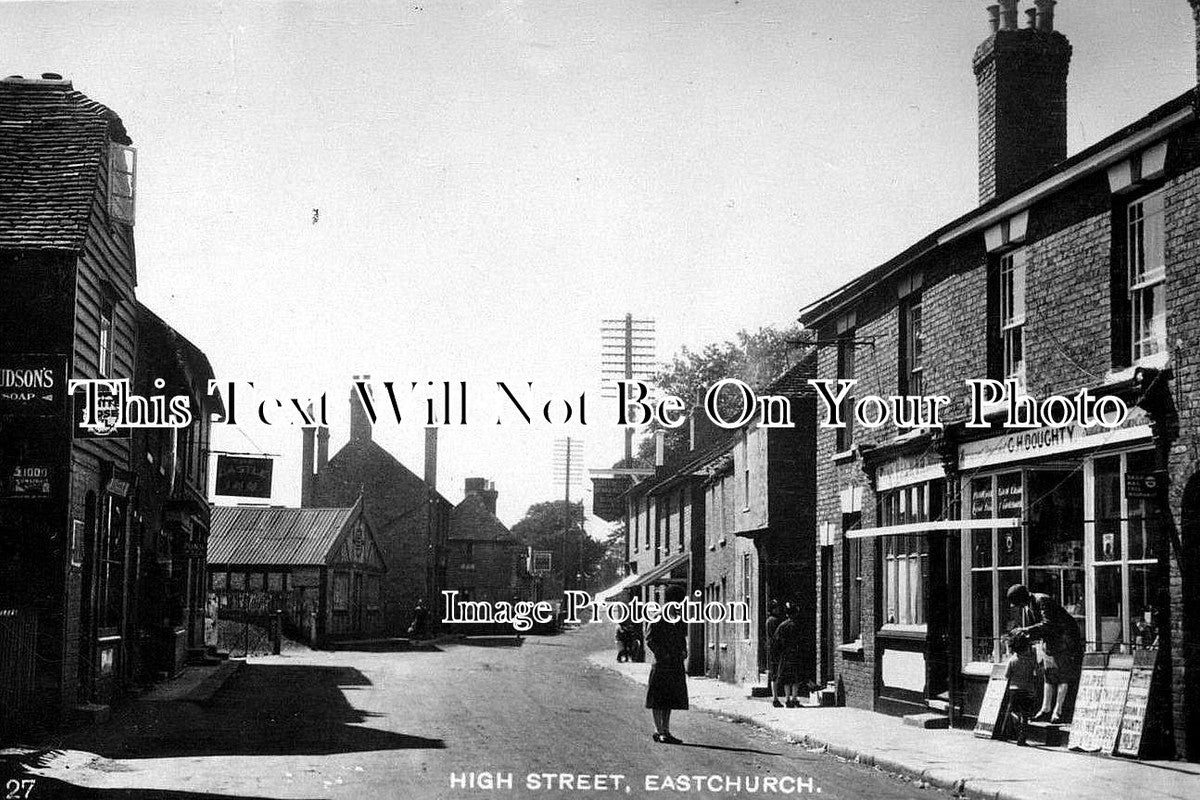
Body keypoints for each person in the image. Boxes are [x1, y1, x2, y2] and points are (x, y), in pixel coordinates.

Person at [1007, 583, 1083, 724]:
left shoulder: (1042, 600)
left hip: (1064, 639)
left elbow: (1048, 624)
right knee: (1049, 675)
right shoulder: (1029, 605)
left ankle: (1058, 711)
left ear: (1021, 599)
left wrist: (1026, 630)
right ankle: (1046, 709)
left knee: (1062, 676)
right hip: (1051, 641)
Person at [645, 584, 689, 744]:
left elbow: (682, 638)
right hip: (662, 664)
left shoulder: (678, 619)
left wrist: (684, 651)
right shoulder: (658, 616)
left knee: (669, 698)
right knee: (658, 699)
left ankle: (666, 730)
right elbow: (649, 639)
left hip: (675, 663)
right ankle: (659, 731)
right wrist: (662, 654)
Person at [1003, 630, 1040, 746]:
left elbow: (1006, 675)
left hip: (1014, 689)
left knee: (1013, 711)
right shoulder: (1030, 661)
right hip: (1027, 690)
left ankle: (1010, 732)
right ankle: (1022, 738)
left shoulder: (1012, 660)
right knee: (1025, 714)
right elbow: (1035, 673)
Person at [772, 602, 805, 708]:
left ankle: (787, 700)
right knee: (796, 678)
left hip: (785, 655)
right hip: (796, 654)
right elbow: (802, 640)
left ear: (787, 614)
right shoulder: (798, 625)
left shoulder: (782, 626)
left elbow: (776, 641)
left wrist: (779, 653)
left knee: (786, 678)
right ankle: (794, 698)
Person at [764, 600, 784, 708]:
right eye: (776, 608)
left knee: (774, 673)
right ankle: (775, 698)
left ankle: (775, 697)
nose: (778, 610)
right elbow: (777, 636)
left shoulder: (769, 620)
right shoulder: (774, 621)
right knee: (775, 673)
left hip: (771, 648)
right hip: (775, 649)